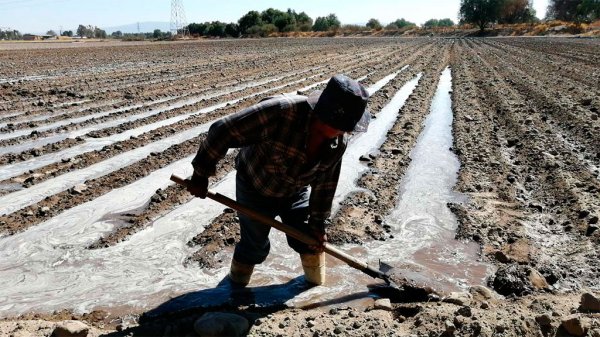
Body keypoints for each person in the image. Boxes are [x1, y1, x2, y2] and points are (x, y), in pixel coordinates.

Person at [186, 74, 370, 287]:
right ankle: (232, 292)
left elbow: (326, 184)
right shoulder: (281, 112)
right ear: (322, 115)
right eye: (342, 125)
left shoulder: (337, 142)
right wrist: (201, 175)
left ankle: (315, 291)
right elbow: (222, 130)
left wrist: (318, 224)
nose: (346, 131)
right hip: (255, 186)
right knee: (253, 247)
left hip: (294, 190)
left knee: (310, 241)